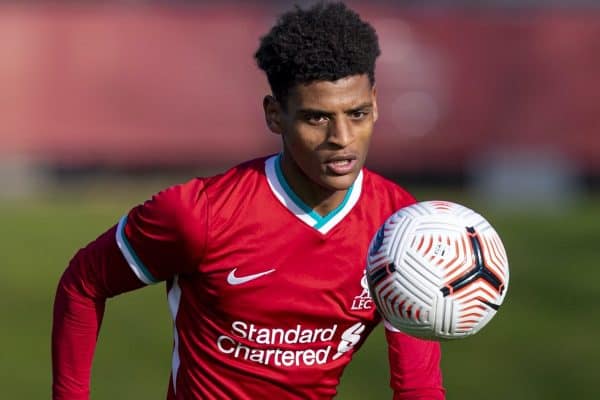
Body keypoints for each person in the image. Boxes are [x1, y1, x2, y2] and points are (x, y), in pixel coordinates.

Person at [52, 2, 445, 399]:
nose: (342, 138)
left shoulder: (398, 227)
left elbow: (418, 385)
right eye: (317, 118)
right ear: (275, 115)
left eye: (357, 113)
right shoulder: (198, 215)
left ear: (375, 103)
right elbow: (84, 283)